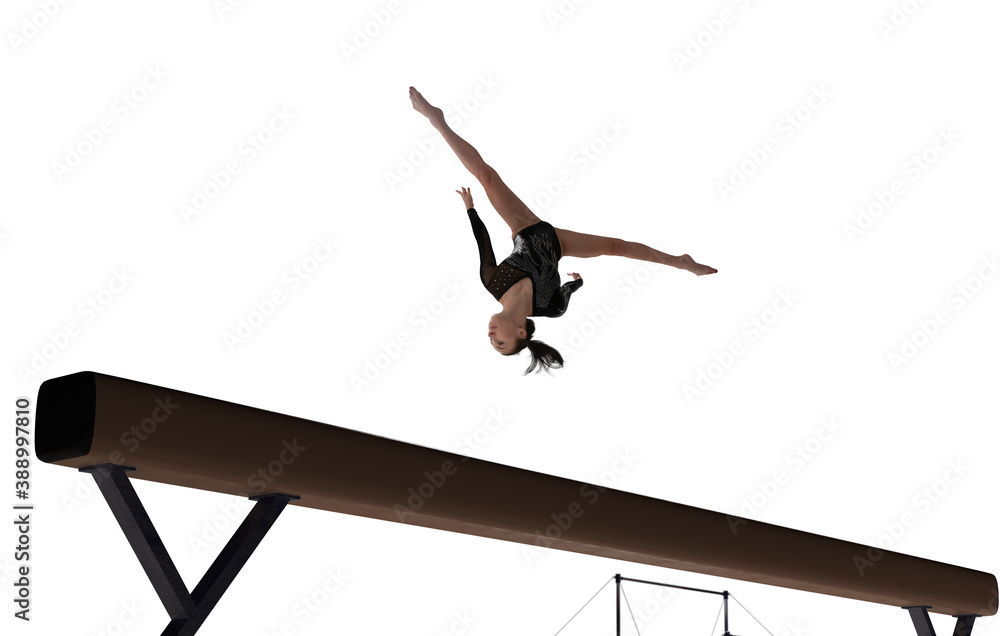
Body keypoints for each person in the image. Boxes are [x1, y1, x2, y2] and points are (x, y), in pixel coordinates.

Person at [410, 86, 716, 374]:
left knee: (486, 176)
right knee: (617, 247)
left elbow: (484, 243)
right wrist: (577, 283)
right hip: (558, 243)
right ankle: (681, 262)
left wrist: (471, 208)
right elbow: (567, 293)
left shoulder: (492, 283)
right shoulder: (550, 307)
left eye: (491, 341)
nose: (490, 335)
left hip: (524, 227)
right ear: (520, 332)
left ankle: (437, 120)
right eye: (500, 342)